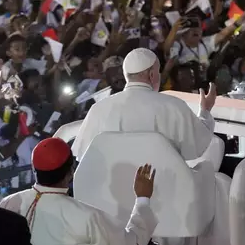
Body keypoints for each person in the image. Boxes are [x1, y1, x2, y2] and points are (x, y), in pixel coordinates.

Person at [0, 138, 157, 245]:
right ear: (70, 172)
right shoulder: (89, 217)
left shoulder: (8, 203)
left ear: (34, 169)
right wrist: (143, 199)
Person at [73, 48, 216, 162]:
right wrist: (205, 112)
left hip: (109, 194)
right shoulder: (174, 106)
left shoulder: (99, 109)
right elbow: (197, 145)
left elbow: (83, 155)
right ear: (152, 75)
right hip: (162, 192)